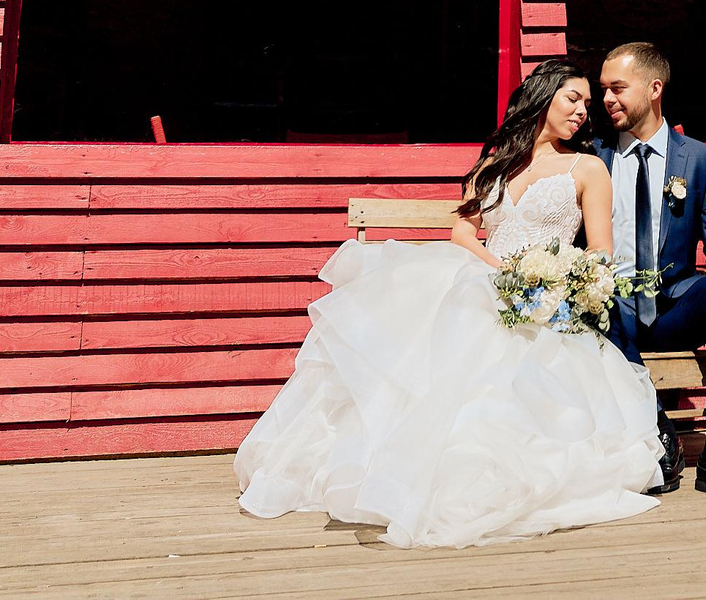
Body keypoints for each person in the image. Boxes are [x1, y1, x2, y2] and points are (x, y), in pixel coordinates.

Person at [233, 60, 664, 547]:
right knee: (442, 314)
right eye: (573, 98)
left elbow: (600, 251)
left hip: (544, 299)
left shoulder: (586, 168)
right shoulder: (495, 165)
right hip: (487, 278)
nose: (583, 111)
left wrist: (547, 281)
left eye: (587, 103)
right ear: (543, 97)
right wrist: (503, 271)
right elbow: (462, 233)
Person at [597, 41, 706, 502]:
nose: (607, 99)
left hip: (672, 305)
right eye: (604, 89)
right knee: (590, 299)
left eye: (617, 88)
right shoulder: (594, 157)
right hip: (611, 312)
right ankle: (660, 430)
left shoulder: (700, 159)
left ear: (654, 89)